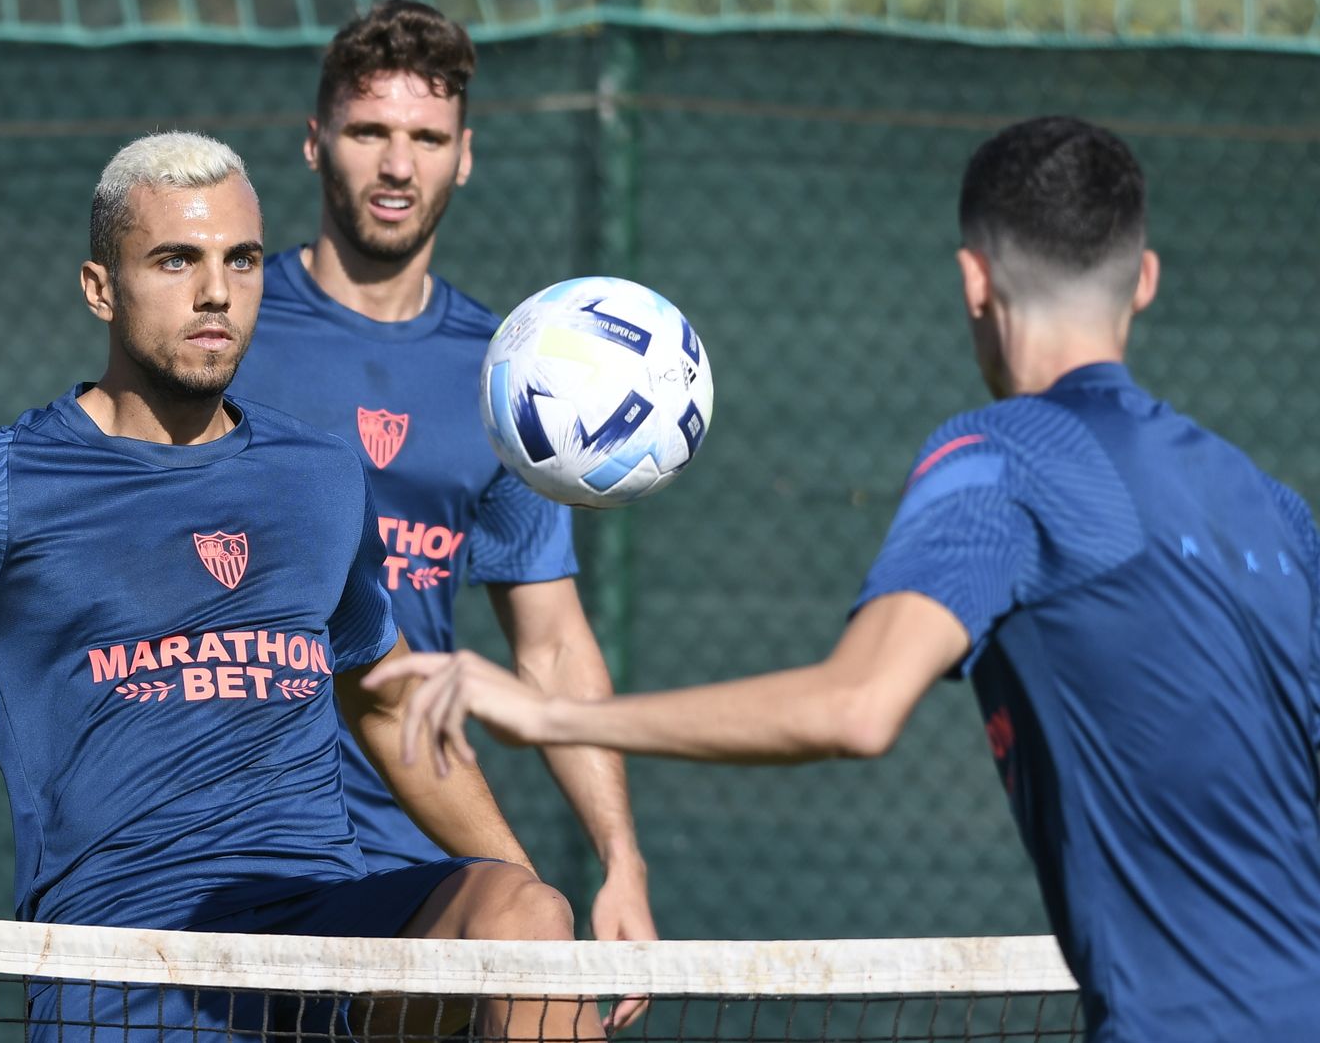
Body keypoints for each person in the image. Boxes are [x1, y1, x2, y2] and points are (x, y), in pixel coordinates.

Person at [368, 116, 1320, 1042]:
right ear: (1144, 279)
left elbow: (857, 707)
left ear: (974, 281)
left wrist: (551, 716)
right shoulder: (1273, 506)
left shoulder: (1003, 459)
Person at [0, 131, 600, 1043]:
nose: (216, 291)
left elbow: (389, 703)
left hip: (324, 943)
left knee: (523, 918)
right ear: (99, 288)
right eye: (175, 260)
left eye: (241, 260)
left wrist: (546, 935)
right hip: (121, 971)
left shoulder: (319, 473)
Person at [0, 0, 655, 1020]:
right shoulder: (212, 328)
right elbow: (32, 559)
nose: (397, 166)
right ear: (315, 144)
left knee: (530, 937)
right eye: (369, 133)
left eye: (427, 139)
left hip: (405, 862)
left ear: (465, 157)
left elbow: (554, 643)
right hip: (190, 876)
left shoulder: (508, 381)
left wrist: (617, 859)